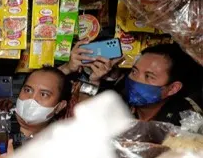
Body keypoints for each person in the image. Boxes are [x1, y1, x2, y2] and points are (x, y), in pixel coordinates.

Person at [61, 42, 200, 125]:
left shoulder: (187, 120)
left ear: (172, 88)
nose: (136, 80)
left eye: (148, 76)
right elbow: (81, 123)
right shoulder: (118, 100)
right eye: (134, 72)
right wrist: (93, 81)